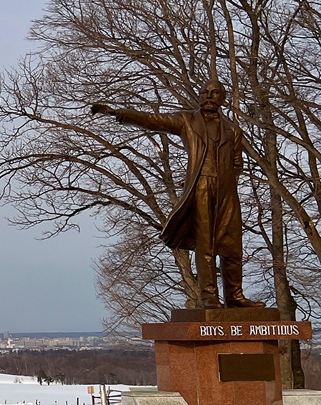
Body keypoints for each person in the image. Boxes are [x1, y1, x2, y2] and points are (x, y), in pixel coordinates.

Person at [91, 80, 264, 309]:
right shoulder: (187, 121)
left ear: (223, 98)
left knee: (232, 243)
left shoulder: (233, 130)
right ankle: (209, 296)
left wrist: (228, 179)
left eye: (215, 93)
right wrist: (119, 113)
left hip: (226, 191)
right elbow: (154, 120)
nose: (208, 96)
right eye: (204, 92)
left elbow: (237, 162)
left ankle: (234, 295)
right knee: (206, 244)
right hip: (200, 187)